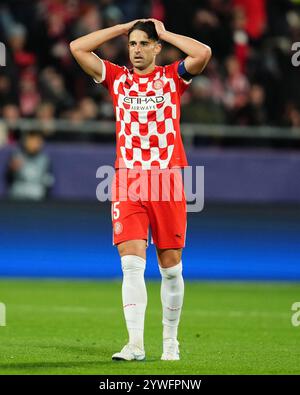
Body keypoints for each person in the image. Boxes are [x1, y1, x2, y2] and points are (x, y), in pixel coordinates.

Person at [70, 19, 211, 361]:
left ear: (155, 48)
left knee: (171, 269)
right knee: (131, 266)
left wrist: (164, 32)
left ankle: (170, 342)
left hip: (166, 180)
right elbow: (77, 48)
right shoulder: (117, 78)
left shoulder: (171, 78)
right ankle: (134, 344)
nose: (135, 50)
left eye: (142, 44)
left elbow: (203, 52)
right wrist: (119, 28)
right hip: (128, 181)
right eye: (131, 44)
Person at [5, 130, 54, 200]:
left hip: (37, 197)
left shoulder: (45, 159)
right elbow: (8, 179)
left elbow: (49, 182)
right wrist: (12, 170)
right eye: (30, 141)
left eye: (36, 141)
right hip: (18, 196)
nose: (32, 144)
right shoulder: (16, 156)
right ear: (25, 142)